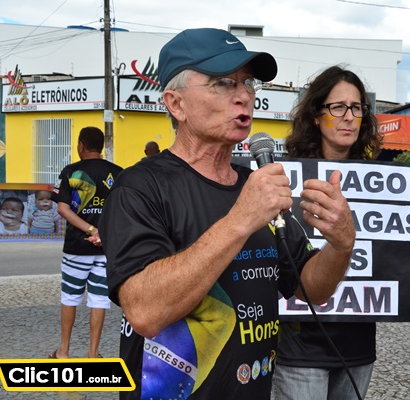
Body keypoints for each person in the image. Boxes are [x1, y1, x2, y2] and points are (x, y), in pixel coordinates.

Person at [100, 28, 358, 400]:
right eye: (223, 83)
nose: (244, 96)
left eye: (248, 83)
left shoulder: (255, 185)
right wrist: (240, 220)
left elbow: (310, 287)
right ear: (176, 104)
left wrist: (341, 245)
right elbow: (145, 312)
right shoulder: (139, 187)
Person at [272, 65, 410, 400]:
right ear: (316, 115)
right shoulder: (284, 177)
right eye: (338, 107)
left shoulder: (389, 184)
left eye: (357, 108)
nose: (349, 117)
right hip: (299, 345)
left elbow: (395, 256)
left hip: (357, 347)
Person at [48, 126, 123, 359]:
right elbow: (122, 211)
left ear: (81, 145)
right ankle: (93, 353)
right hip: (105, 249)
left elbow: (63, 208)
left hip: (76, 248)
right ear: (101, 146)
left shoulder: (71, 172)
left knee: (70, 298)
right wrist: (102, 234)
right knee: (99, 300)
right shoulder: (118, 173)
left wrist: (91, 230)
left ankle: (63, 351)